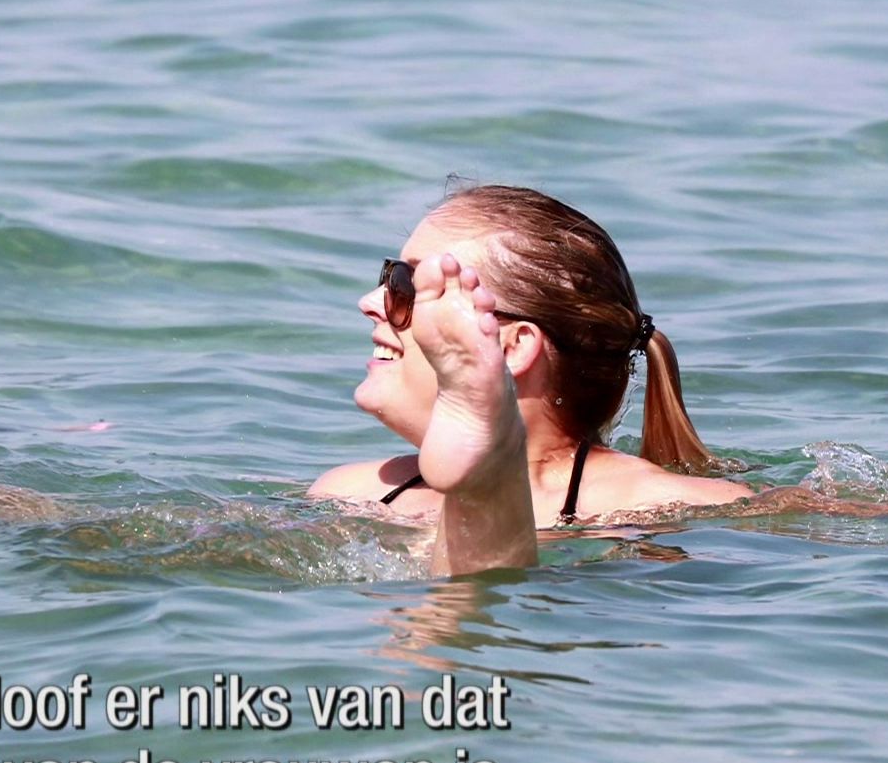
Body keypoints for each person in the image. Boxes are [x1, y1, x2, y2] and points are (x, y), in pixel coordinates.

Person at [311, 182, 751, 572]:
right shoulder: (350, 490)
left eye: (406, 287)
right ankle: (487, 483)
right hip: (524, 615)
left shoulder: (665, 498)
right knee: (446, 622)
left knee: (453, 615)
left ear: (513, 347)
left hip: (534, 610)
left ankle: (489, 479)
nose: (370, 302)